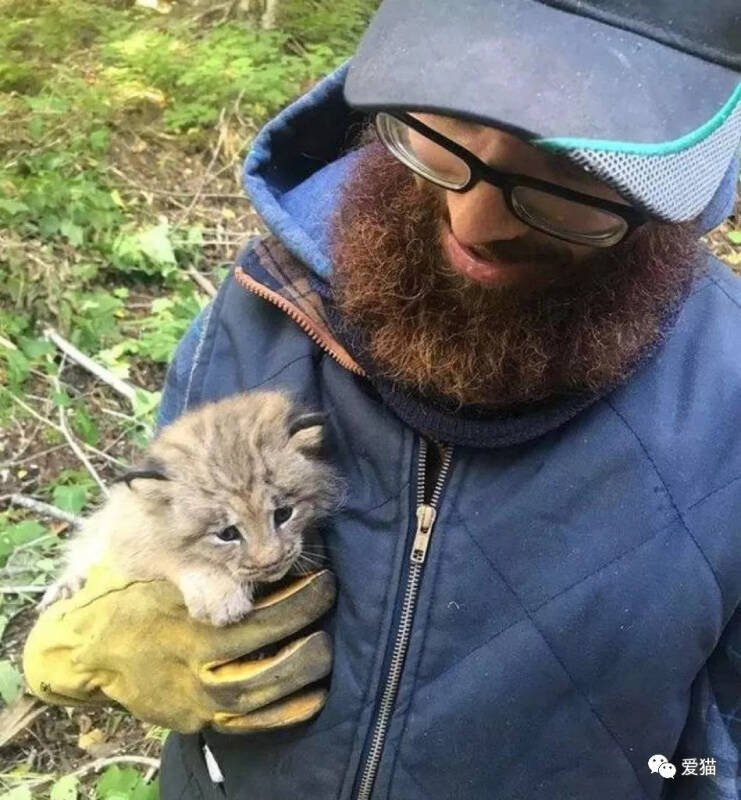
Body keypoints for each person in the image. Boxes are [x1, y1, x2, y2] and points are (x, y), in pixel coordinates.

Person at [23, 0, 741, 797]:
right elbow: (157, 523)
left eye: (568, 174)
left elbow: (718, 754)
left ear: (665, 192)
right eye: (449, 130)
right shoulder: (263, 299)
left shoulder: (728, 403)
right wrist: (90, 622)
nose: (472, 224)